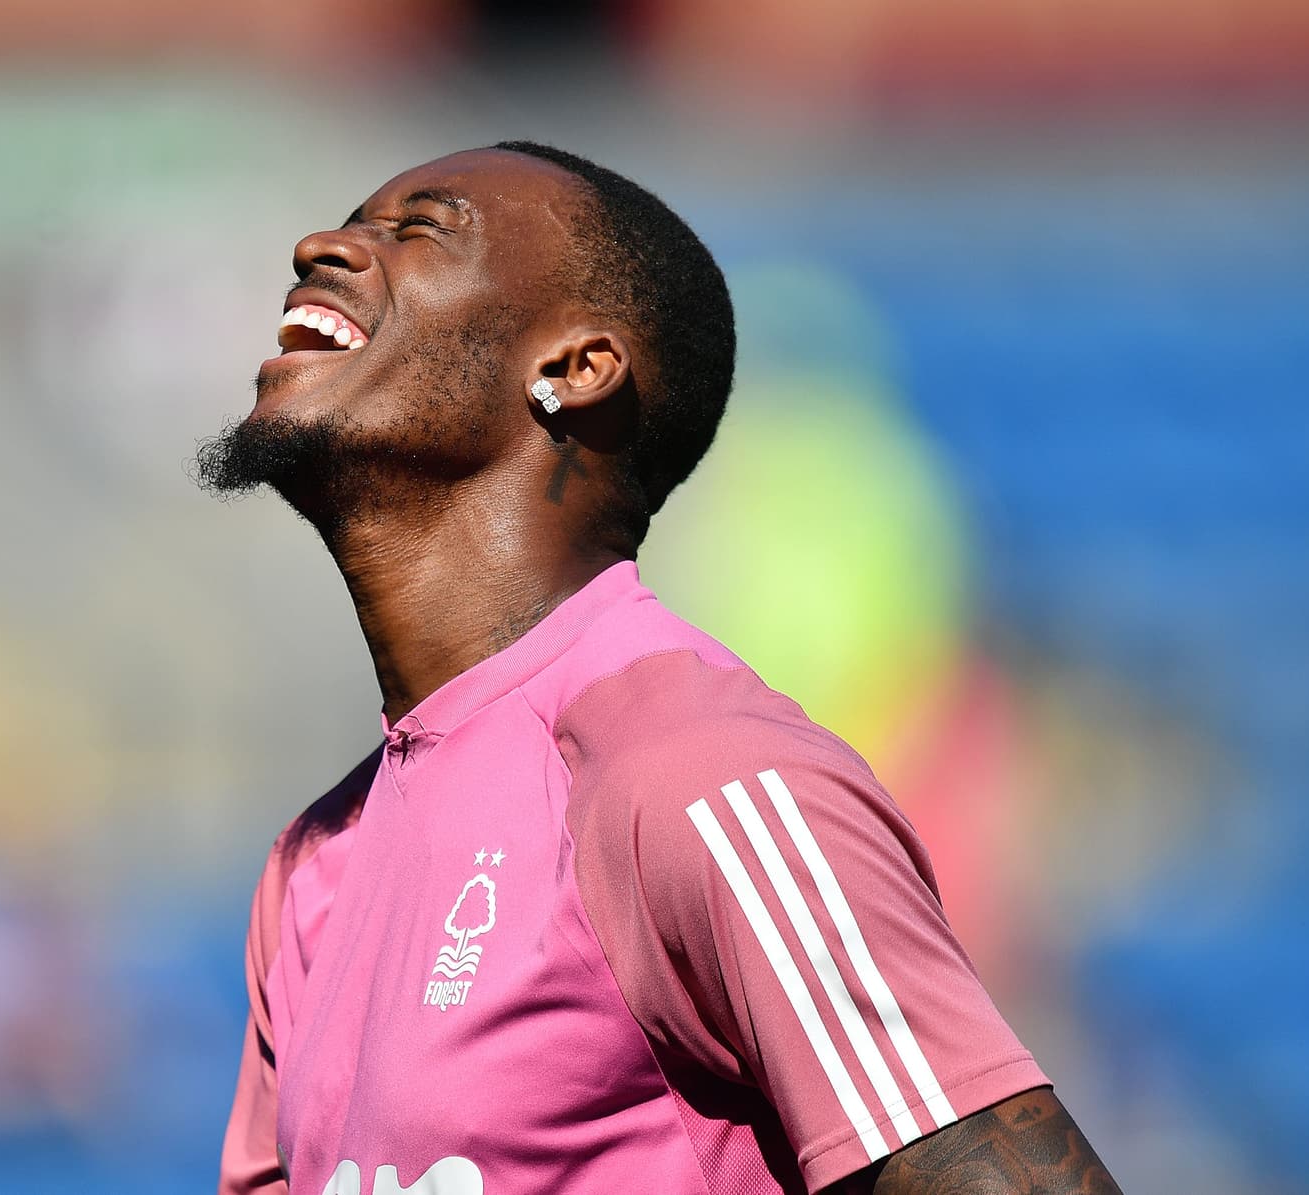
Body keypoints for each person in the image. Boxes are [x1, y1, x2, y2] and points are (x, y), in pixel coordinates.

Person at [197, 142, 1121, 1195]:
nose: (322, 247)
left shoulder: (696, 778)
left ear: (575, 369)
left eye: (421, 231)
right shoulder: (312, 866)